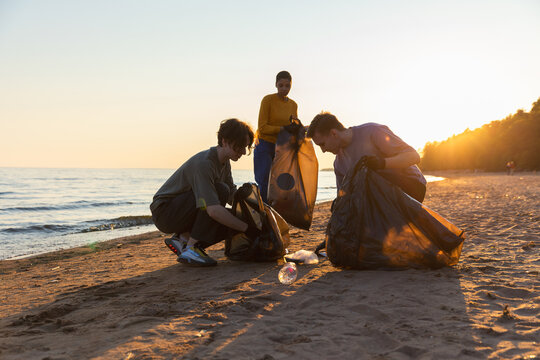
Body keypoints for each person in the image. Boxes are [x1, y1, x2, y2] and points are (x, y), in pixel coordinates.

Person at [150, 118, 259, 266]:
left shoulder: (224, 162)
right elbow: (213, 210)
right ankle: (191, 247)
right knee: (220, 192)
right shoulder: (205, 164)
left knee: (231, 217)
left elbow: (232, 196)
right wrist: (247, 229)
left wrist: (254, 210)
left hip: (187, 210)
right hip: (166, 213)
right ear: (225, 141)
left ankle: (183, 239)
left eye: (245, 147)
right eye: (239, 146)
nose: (243, 151)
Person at [307, 112, 427, 203]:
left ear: (334, 133)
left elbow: (414, 157)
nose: (323, 151)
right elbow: (344, 196)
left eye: (322, 144)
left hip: (411, 186)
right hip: (380, 195)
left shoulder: (372, 131)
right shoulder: (338, 164)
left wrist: (381, 163)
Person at [254, 70, 298, 202]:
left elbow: (293, 127)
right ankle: (262, 213)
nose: (284, 89)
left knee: (280, 183)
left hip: (282, 148)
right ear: (276, 85)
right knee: (264, 181)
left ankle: (275, 214)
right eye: (281, 85)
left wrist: (298, 128)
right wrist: (283, 129)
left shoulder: (293, 105)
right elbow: (262, 128)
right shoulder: (268, 100)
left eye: (287, 86)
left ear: (291, 85)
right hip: (264, 145)